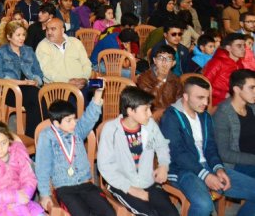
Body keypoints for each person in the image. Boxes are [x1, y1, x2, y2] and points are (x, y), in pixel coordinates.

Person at [160, 75, 255, 216]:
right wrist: (206, 176)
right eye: (200, 98)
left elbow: (211, 147)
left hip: (207, 166)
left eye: (207, 98)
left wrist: (219, 169)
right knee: (204, 204)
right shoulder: (171, 117)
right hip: (181, 169)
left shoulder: (205, 116)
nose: (205, 102)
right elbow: (177, 154)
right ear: (185, 97)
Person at [97, 86, 178, 215]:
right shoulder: (111, 130)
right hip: (121, 185)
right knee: (149, 214)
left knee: (171, 213)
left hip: (148, 181)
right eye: (146, 110)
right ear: (130, 111)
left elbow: (162, 145)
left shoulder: (150, 125)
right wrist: (132, 189)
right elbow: (105, 166)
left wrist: (163, 165)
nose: (150, 114)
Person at [36, 89, 113, 216]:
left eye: (74, 119)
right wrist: (44, 194)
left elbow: (89, 118)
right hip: (65, 188)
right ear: (56, 123)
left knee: (108, 212)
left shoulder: (77, 130)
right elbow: (42, 167)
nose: (73, 123)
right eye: (69, 120)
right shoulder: (47, 136)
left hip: (85, 184)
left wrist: (98, 94)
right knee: (81, 213)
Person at [0, 120, 44, 215]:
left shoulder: (17, 154)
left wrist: (25, 195)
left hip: (22, 201)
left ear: (9, 140)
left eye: (3, 142)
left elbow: (29, 178)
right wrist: (14, 197)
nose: (0, 148)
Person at [0, 20, 43, 135]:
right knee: (35, 96)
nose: (22, 38)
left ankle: (37, 136)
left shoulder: (28, 50)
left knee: (39, 97)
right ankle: (34, 137)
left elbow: (38, 72)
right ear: (9, 37)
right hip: (9, 91)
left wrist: (35, 81)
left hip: (30, 89)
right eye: (18, 35)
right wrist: (24, 83)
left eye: (23, 35)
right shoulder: (0, 53)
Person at [214, 69, 255, 179]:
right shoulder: (223, 114)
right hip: (237, 166)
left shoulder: (252, 107)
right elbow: (224, 154)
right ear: (237, 89)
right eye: (252, 88)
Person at [36, 18, 91, 89]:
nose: (49, 32)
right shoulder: (43, 46)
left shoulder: (75, 42)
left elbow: (86, 63)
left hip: (81, 85)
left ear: (62, 31)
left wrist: (84, 78)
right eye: (47, 29)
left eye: (53, 29)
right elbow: (47, 71)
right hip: (57, 88)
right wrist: (67, 82)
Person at [136, 45, 183, 117]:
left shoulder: (176, 80)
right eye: (160, 58)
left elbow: (179, 103)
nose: (164, 62)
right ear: (155, 60)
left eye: (168, 59)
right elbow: (148, 103)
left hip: (170, 116)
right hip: (150, 116)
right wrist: (160, 80)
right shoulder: (144, 78)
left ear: (173, 63)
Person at [203, 33, 248, 106]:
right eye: (239, 46)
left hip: (235, 100)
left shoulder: (240, 64)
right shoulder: (217, 62)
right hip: (217, 102)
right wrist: (223, 95)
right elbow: (203, 84)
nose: (243, 49)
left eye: (244, 46)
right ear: (228, 48)